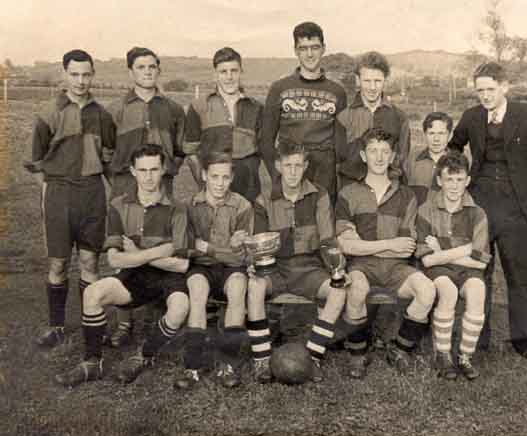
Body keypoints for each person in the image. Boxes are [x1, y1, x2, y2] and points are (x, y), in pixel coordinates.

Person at [448, 62, 527, 358]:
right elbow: (454, 149)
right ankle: (478, 338)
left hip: (515, 211)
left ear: (505, 86)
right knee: (478, 273)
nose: (485, 96)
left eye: (490, 89)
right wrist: (463, 181)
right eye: (480, 91)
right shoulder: (471, 116)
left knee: (517, 274)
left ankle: (523, 340)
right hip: (480, 207)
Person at [55, 144, 190, 387]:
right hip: (135, 276)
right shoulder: (118, 205)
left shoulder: (178, 208)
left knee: (180, 308)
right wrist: (161, 250)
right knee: (93, 292)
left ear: (163, 171)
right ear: (133, 171)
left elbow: (181, 265)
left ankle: (144, 355)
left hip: (170, 277)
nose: (148, 176)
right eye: (143, 170)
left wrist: (138, 252)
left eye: (154, 169)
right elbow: (115, 259)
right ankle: (92, 363)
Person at [24, 49, 115, 348]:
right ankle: (56, 326)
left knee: (90, 261)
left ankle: (92, 324)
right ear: (64, 74)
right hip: (59, 195)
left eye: (86, 74)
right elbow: (34, 162)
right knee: (59, 265)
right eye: (74, 74)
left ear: (93, 75)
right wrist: (51, 190)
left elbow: (109, 160)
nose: (80, 80)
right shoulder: (49, 113)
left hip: (92, 194)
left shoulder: (101, 115)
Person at [336, 128, 436, 378]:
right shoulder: (348, 194)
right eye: (373, 151)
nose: (379, 157)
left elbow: (407, 246)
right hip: (361, 266)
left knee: (427, 291)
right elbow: (347, 246)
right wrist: (388, 245)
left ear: (392, 157)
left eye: (384, 152)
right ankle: (357, 353)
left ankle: (400, 347)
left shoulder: (406, 195)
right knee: (356, 290)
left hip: (396, 268)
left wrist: (366, 244)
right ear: (363, 155)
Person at [246, 140, 348, 383]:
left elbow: (327, 239)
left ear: (306, 167)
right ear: (279, 166)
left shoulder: (319, 194)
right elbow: (258, 244)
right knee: (255, 287)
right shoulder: (263, 200)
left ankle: (312, 356)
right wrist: (253, 262)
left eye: (298, 166)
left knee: (339, 291)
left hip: (309, 268)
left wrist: (337, 268)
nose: (293, 171)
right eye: (288, 165)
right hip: (275, 268)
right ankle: (261, 358)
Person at [106, 47, 186, 347]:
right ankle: (124, 323)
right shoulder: (115, 109)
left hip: (161, 189)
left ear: (158, 70)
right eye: (141, 67)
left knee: (160, 247)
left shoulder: (174, 109)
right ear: (131, 72)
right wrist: (119, 179)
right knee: (125, 251)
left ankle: (160, 311)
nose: (147, 72)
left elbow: (180, 151)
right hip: (126, 189)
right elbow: (106, 153)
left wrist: (168, 173)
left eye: (153, 66)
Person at [173, 151, 253, 390]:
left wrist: (207, 247)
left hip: (232, 268)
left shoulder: (242, 205)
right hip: (201, 269)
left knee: (238, 289)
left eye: (225, 178)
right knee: (197, 290)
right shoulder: (190, 206)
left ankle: (227, 364)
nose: (220, 183)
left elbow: (241, 255)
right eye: (215, 176)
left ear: (232, 178)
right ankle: (193, 366)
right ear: (205, 175)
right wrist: (224, 248)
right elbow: (186, 250)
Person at [415, 152, 490, 380]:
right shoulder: (426, 210)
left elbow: (479, 261)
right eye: (449, 179)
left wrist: (441, 252)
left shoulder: (477, 213)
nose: (454, 186)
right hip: (438, 271)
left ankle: (465, 356)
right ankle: (444, 354)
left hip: (468, 269)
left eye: (459, 180)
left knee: (478, 291)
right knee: (447, 291)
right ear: (439, 180)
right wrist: (465, 249)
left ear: (467, 180)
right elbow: (427, 260)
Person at [261, 21, 347, 197]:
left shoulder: (337, 92)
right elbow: (266, 141)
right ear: (295, 51)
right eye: (303, 48)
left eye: (314, 47)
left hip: (324, 173)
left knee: (323, 221)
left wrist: (335, 176)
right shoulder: (279, 88)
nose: (309, 54)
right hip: (291, 169)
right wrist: (277, 175)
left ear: (323, 48)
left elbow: (341, 143)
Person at [183, 47, 268, 202]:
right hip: (214, 193)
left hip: (248, 191)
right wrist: (204, 185)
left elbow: (264, 150)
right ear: (215, 74)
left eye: (234, 71)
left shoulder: (256, 107)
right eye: (223, 72)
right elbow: (191, 154)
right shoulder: (199, 107)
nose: (229, 77)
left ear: (241, 72)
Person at [336, 51, 410, 190]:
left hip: (388, 190)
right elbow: (338, 161)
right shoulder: (343, 118)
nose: (372, 87)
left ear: (385, 81)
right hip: (352, 189)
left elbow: (403, 161)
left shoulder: (400, 118)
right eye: (367, 81)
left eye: (377, 81)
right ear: (358, 80)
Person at [405, 111, 453, 205]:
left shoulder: (458, 162)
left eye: (441, 133)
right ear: (425, 134)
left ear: (450, 136)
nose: (436, 139)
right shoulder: (411, 160)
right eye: (431, 133)